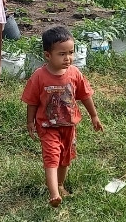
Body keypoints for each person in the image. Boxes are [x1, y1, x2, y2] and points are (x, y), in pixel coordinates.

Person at [21, 26, 103, 207]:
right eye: (62, 54)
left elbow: (85, 95)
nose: (68, 58)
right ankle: (54, 194)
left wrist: (94, 116)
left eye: (71, 53)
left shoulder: (75, 73)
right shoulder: (39, 76)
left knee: (65, 159)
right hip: (47, 127)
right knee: (52, 158)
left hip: (69, 126)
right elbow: (32, 102)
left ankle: (60, 184)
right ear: (47, 55)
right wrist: (30, 122)